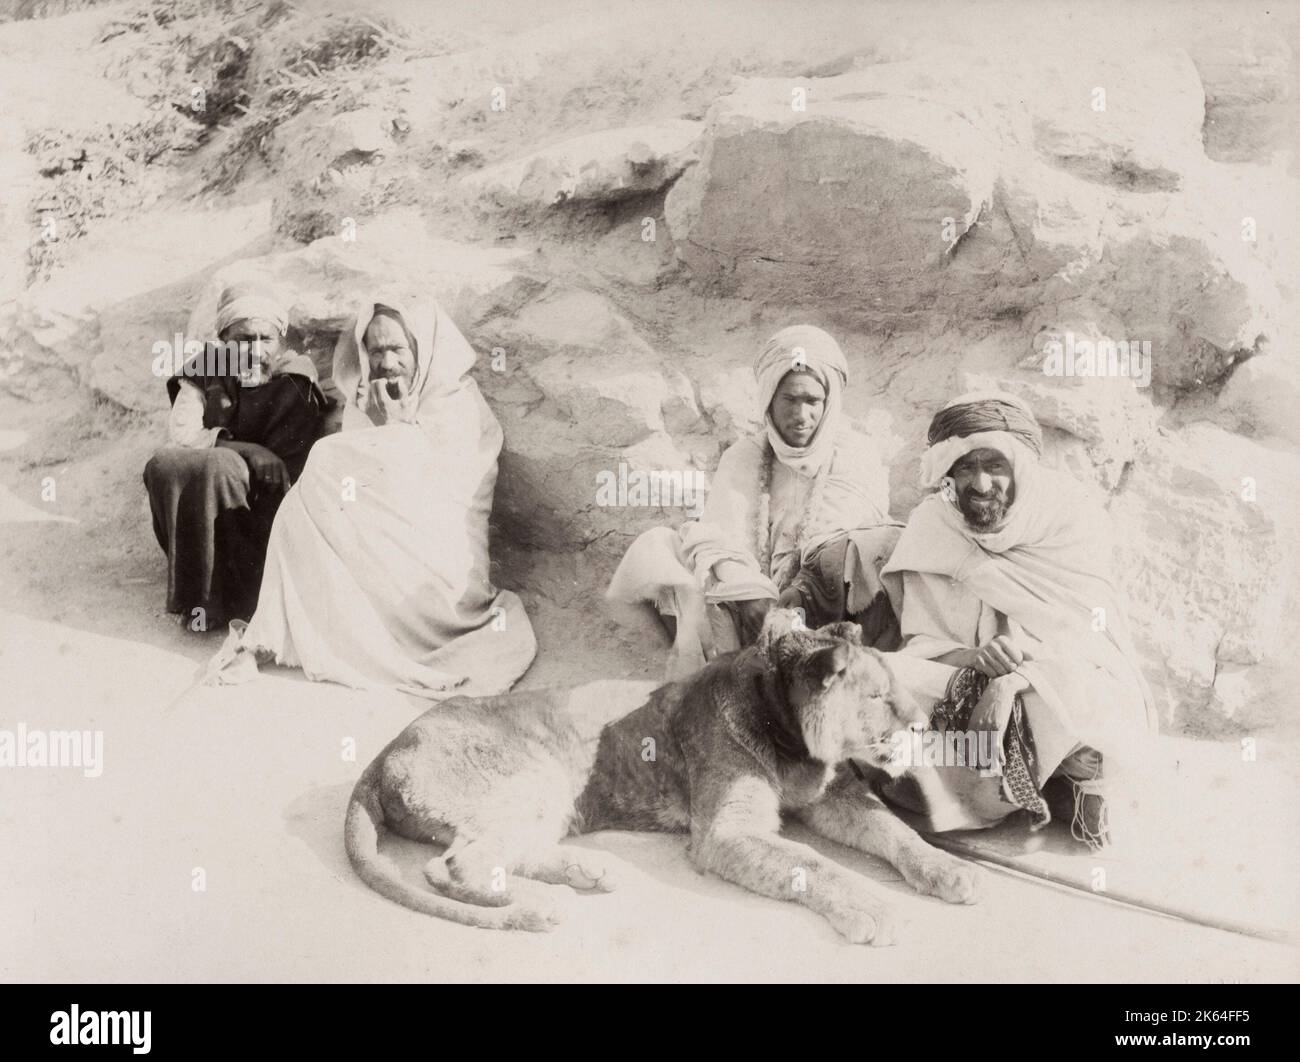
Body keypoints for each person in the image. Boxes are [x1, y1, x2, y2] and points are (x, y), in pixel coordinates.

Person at [207, 297, 536, 698]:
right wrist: (383, 427)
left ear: (423, 348)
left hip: (439, 566)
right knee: (301, 506)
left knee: (325, 459)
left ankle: (282, 632)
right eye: (376, 350)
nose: (387, 362)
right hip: (379, 552)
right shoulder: (371, 398)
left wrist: (394, 431)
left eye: (398, 348)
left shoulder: (458, 403)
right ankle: (270, 633)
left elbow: (438, 499)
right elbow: (355, 499)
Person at [877, 390, 1158, 849]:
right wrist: (974, 659)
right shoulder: (934, 523)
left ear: (1021, 469)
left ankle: (1075, 772)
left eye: (995, 466)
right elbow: (922, 641)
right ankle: (1009, 787)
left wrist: (1014, 679)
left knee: (1088, 693)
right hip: (963, 677)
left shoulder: (1070, 516)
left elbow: (1091, 641)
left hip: (1050, 679)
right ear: (946, 474)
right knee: (886, 676)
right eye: (965, 467)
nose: (981, 484)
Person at [608, 324, 900, 678]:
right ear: (768, 399)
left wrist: (802, 592)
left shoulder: (855, 454)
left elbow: (854, 546)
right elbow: (718, 542)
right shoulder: (743, 456)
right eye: (789, 399)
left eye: (812, 401)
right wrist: (751, 596)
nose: (800, 415)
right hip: (751, 612)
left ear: (829, 401)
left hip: (830, 609)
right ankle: (718, 679)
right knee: (657, 547)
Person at [143, 281, 325, 629]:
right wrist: (246, 450)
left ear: (280, 341)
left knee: (220, 467)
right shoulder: (207, 368)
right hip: (214, 489)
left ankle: (245, 599)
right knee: (166, 465)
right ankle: (200, 600)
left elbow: (291, 474)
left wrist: (236, 463)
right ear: (223, 343)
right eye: (243, 341)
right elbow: (181, 436)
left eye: (265, 339)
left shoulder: (294, 380)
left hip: (263, 513)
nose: (255, 352)